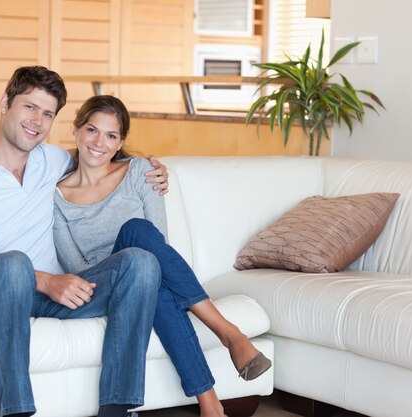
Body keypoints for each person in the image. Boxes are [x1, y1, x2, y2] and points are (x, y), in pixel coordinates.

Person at [0, 66, 169, 417]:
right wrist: (44, 279)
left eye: (47, 114)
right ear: (4, 103)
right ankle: (17, 412)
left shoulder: (55, 161)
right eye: (29, 107)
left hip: (56, 296)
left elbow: (101, 155)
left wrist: (151, 170)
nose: (36, 121)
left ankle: (117, 410)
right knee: (14, 264)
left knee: (140, 261)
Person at [53, 95, 272, 417]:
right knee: (137, 240)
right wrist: (123, 263)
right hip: (99, 281)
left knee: (144, 255)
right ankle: (229, 333)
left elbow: (159, 242)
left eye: (111, 135)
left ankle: (211, 406)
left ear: (120, 143)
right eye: (91, 130)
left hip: (145, 269)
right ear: (76, 131)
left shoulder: (140, 171)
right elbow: (74, 267)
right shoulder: (57, 194)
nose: (99, 142)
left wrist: (137, 264)